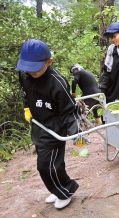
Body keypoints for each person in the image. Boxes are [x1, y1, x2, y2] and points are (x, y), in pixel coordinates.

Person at [17, 39, 80, 209]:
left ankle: (64, 192)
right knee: (53, 164)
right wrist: (27, 108)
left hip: (54, 129)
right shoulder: (25, 74)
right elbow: (25, 93)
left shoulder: (57, 82)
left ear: (49, 62)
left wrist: (76, 131)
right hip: (38, 125)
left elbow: (69, 110)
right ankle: (61, 187)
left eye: (35, 69)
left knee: (45, 165)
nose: (31, 73)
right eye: (27, 68)